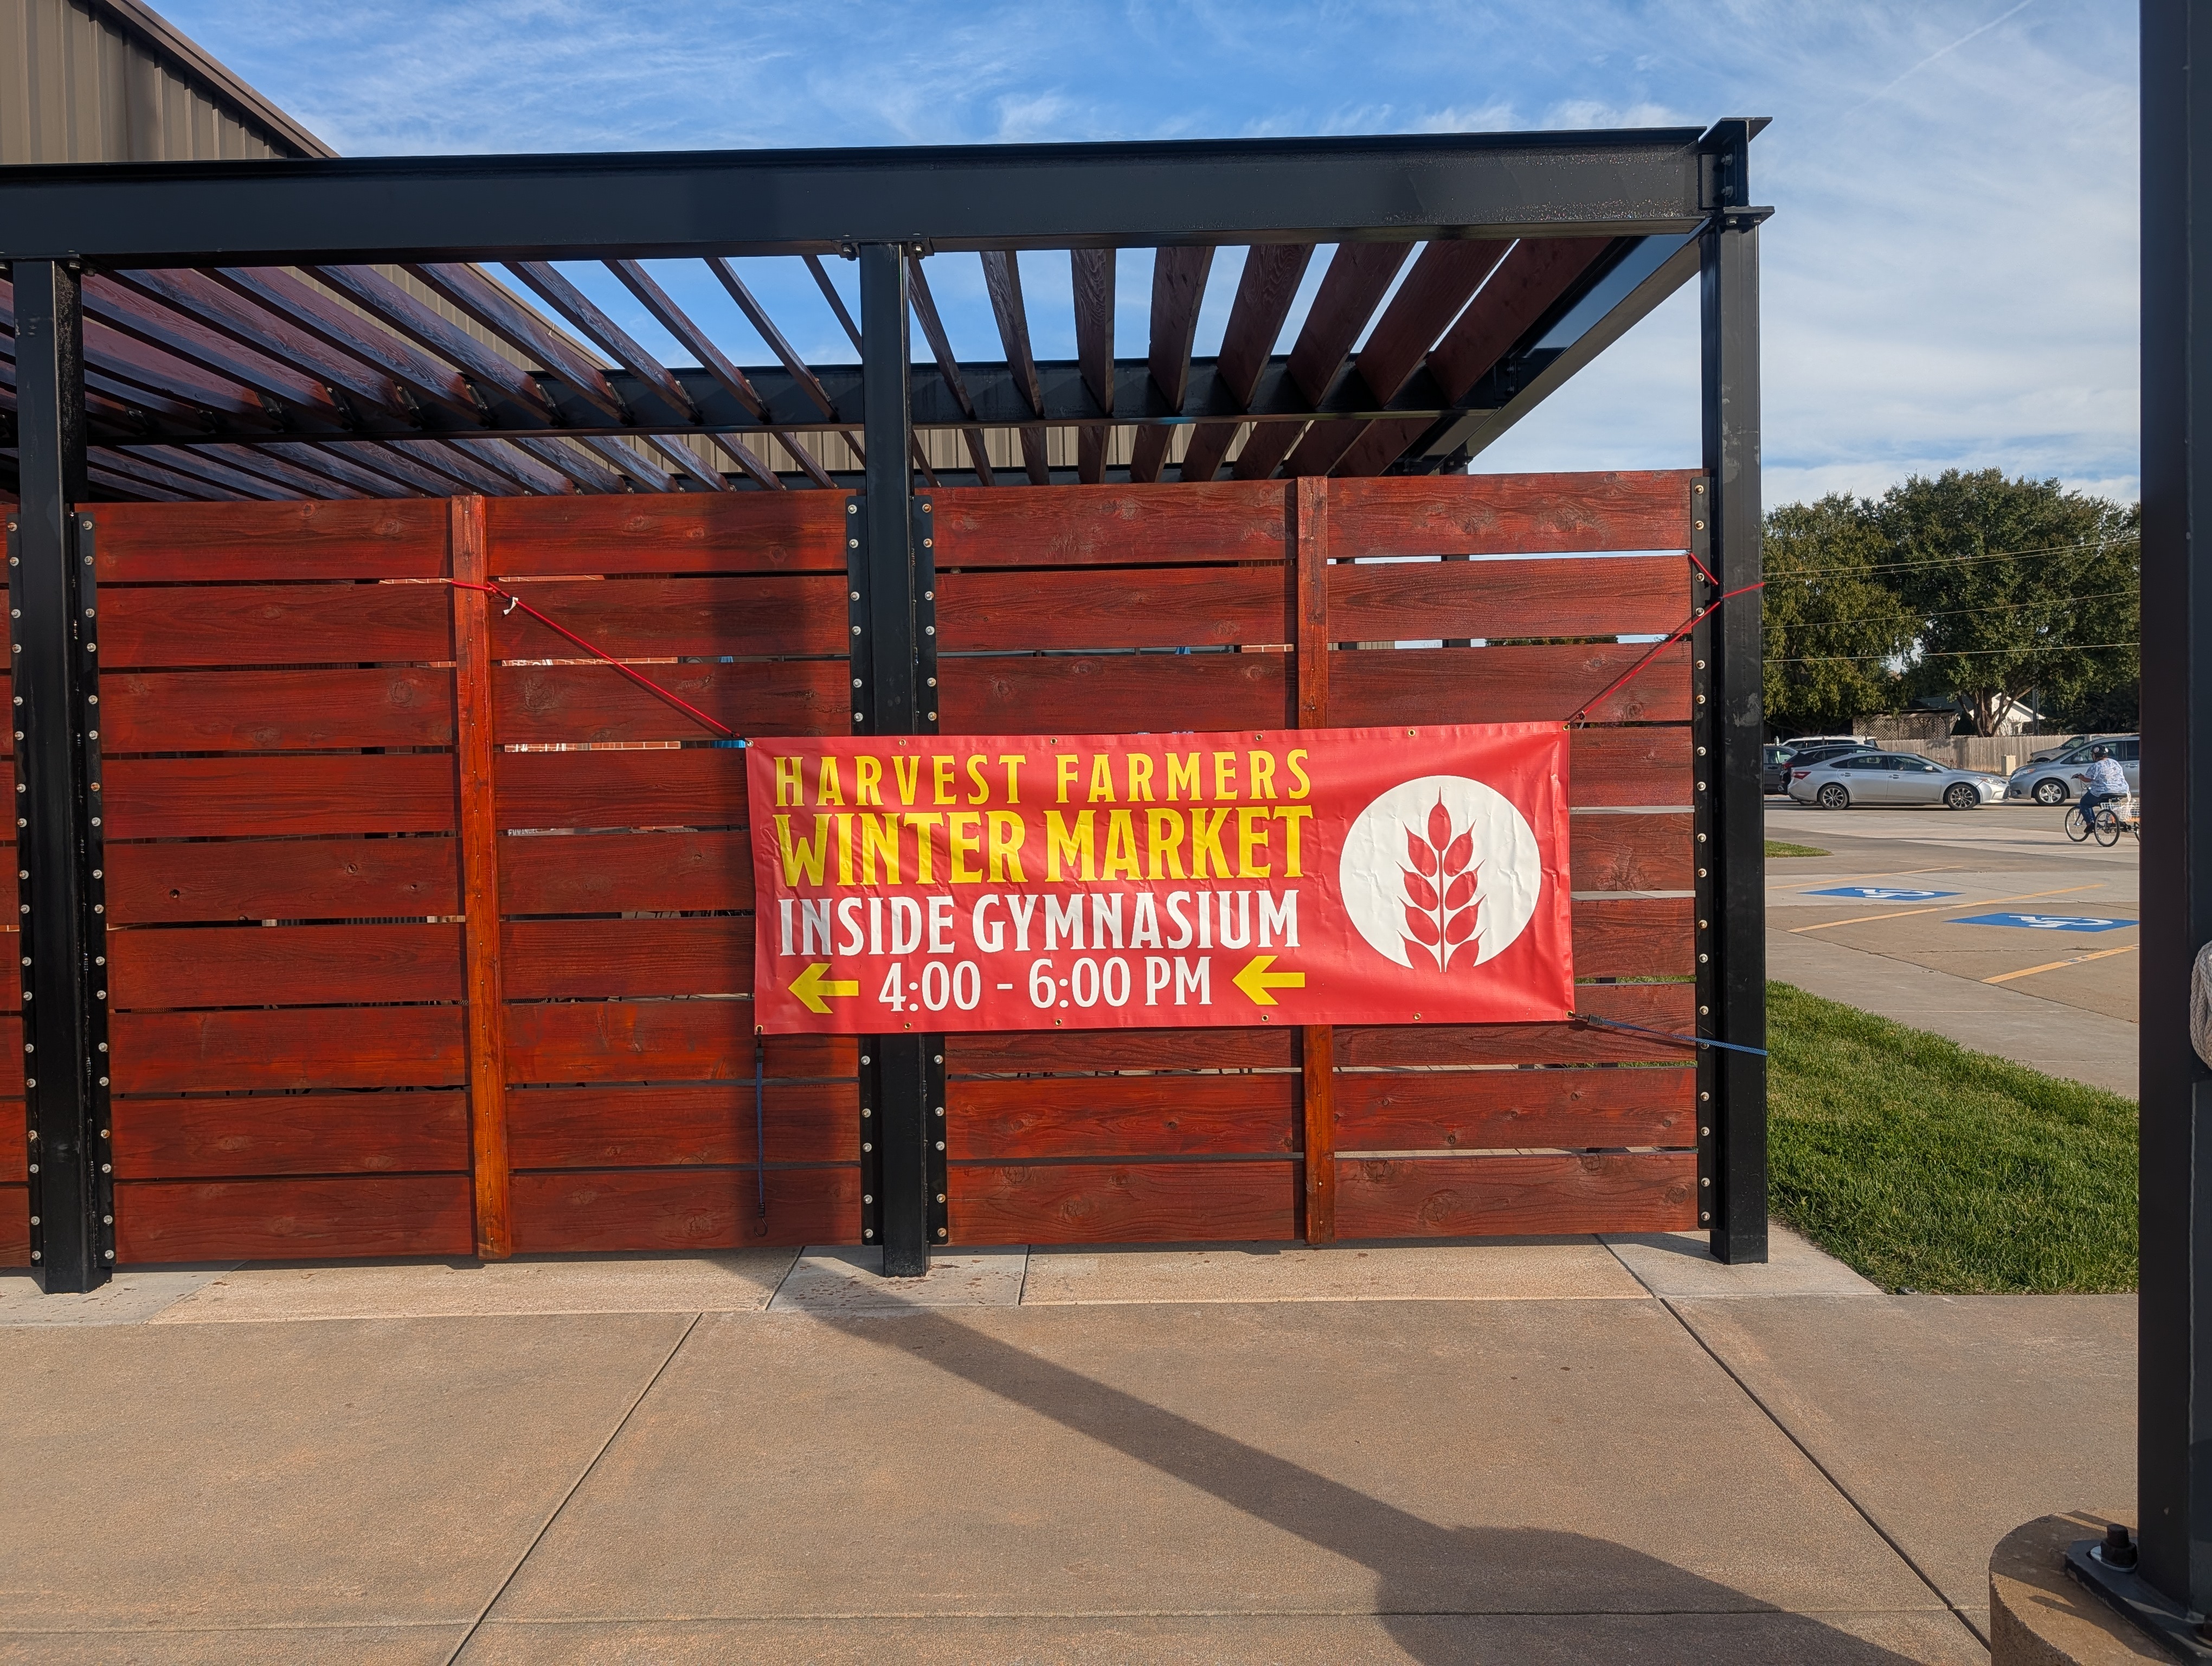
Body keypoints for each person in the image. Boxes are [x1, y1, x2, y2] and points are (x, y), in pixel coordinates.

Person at [2073, 745, 2130, 826]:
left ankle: (2091, 824)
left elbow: (2087, 779)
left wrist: (2079, 776)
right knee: (2108, 804)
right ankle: (2115, 820)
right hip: (2122, 790)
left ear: (2096, 755)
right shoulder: (2115, 763)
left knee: (2085, 803)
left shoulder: (2096, 766)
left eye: (2092, 754)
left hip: (2103, 791)